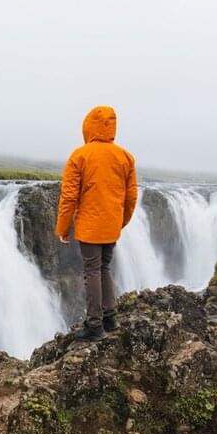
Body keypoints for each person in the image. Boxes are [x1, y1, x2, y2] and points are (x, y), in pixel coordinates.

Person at [55, 105, 138, 340]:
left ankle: (94, 325)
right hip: (111, 225)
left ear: (88, 127)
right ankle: (110, 317)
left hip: (89, 227)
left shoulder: (80, 155)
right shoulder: (125, 157)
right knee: (104, 267)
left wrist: (63, 227)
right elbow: (131, 197)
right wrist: (121, 221)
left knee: (91, 270)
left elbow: (69, 196)